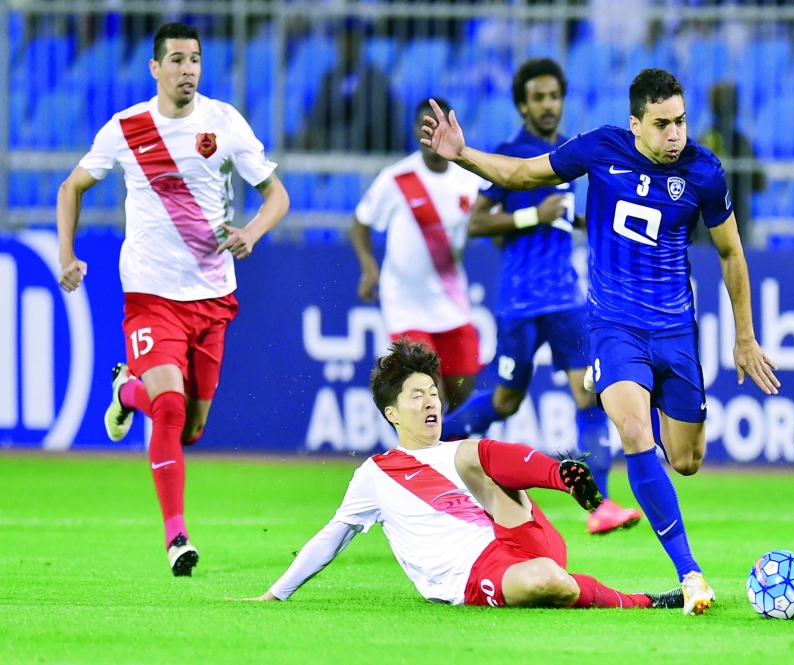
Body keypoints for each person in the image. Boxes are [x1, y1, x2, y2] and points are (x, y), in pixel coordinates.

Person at [420, 68, 781, 615]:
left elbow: (731, 253)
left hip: (676, 331)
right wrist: (462, 152)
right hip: (614, 326)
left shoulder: (705, 172)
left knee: (685, 460)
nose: (675, 134)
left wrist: (745, 338)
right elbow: (519, 174)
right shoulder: (598, 149)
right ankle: (691, 576)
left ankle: (637, 422)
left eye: (681, 122)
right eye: (662, 124)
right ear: (636, 124)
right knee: (634, 432)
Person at [56, 23, 289, 577]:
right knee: (171, 406)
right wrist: (66, 255)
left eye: (196, 60)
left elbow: (276, 194)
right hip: (150, 294)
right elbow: (71, 188)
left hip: (212, 295)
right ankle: (176, 536)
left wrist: (252, 233)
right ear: (155, 68)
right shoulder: (127, 128)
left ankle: (124, 389)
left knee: (190, 429)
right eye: (178, 60)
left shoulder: (224, 123)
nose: (188, 69)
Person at [229, 339, 684, 611]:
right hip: (474, 573)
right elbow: (331, 538)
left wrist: (558, 476)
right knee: (552, 580)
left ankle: (564, 477)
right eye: (416, 396)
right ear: (391, 412)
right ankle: (649, 599)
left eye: (432, 392)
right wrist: (276, 594)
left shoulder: (459, 453)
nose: (430, 402)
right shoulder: (376, 474)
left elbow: (484, 463)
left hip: (520, 535)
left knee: (469, 455)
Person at [441, 58, 641, 535]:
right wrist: (533, 217)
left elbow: (556, 215)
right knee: (507, 401)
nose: (549, 105)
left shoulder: (568, 155)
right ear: (522, 105)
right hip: (521, 302)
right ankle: (433, 446)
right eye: (539, 97)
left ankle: (601, 505)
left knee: (589, 394)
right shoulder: (513, 155)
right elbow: (477, 223)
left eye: (555, 96)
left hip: (567, 300)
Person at [350, 99, 485, 411]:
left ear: (451, 130)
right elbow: (359, 223)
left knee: (463, 388)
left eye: (437, 124)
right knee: (427, 391)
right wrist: (370, 269)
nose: (430, 131)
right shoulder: (397, 178)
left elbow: (488, 223)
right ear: (414, 131)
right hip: (405, 307)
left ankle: (446, 451)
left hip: (452, 303)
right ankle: (422, 456)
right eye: (424, 124)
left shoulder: (469, 179)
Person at [298, 24, 401, 152]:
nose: (345, 46)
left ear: (360, 43)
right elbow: (318, 115)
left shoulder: (376, 78)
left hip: (367, 151)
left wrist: (331, 139)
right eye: (341, 40)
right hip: (332, 148)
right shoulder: (329, 78)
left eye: (350, 40)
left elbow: (373, 125)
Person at [695, 82, 767, 245]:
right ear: (735, 109)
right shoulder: (741, 143)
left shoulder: (702, 141)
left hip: (706, 228)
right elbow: (759, 183)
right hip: (733, 228)